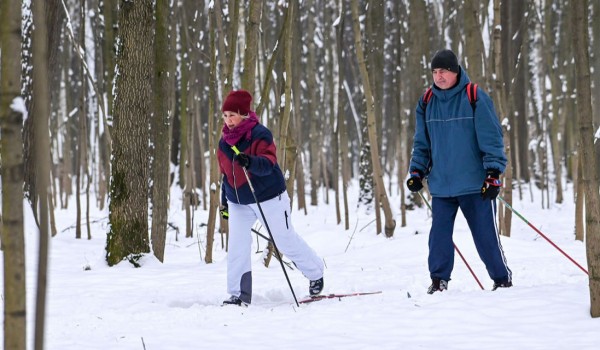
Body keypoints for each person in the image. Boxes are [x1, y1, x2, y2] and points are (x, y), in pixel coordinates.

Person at [406, 49, 512, 294]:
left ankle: (501, 279)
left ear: (455, 71)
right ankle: (438, 280)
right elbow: (422, 143)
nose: (439, 76)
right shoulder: (426, 102)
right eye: (434, 72)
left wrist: (493, 174)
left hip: (475, 184)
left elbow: (491, 138)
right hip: (442, 184)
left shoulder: (474, 97)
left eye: (443, 71)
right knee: (439, 237)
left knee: (485, 236)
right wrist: (416, 172)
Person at [217, 89, 325, 306]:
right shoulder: (224, 142)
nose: (228, 120)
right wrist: (225, 201)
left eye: (233, 115)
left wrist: (251, 162)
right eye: (225, 115)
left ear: (245, 114)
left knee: (284, 240)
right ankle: (239, 294)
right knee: (237, 246)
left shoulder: (259, 134)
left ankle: (315, 273)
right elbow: (225, 174)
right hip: (239, 202)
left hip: (268, 196)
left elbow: (269, 162)